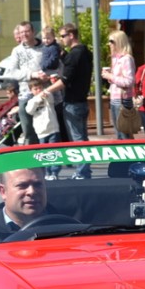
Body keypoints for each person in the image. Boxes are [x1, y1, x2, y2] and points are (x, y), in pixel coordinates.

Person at [57, 23, 93, 178]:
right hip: (82, 100)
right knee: (83, 137)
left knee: (78, 138)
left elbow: (65, 80)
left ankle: (82, 171)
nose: (62, 39)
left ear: (71, 35)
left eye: (63, 36)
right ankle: (85, 169)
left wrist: (45, 91)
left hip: (73, 101)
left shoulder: (74, 55)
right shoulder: (85, 52)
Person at [0, 22, 44, 144]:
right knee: (29, 132)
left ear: (33, 32)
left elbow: (57, 67)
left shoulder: (44, 48)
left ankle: (50, 160)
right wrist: (31, 75)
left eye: (27, 31)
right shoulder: (17, 51)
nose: (24, 34)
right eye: (21, 32)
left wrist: (46, 75)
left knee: (48, 131)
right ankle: (33, 161)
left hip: (45, 95)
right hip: (26, 95)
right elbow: (11, 72)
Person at [0, 168, 50, 243]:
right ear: (3, 191)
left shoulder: (61, 225)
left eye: (38, 185)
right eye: (22, 185)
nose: (32, 191)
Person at [101, 29, 136, 139]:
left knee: (124, 133)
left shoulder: (126, 59)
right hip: (115, 99)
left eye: (112, 41)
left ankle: (129, 155)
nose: (109, 44)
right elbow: (119, 79)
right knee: (119, 134)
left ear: (119, 42)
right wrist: (110, 77)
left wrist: (111, 76)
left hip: (123, 100)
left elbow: (129, 81)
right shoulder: (116, 59)